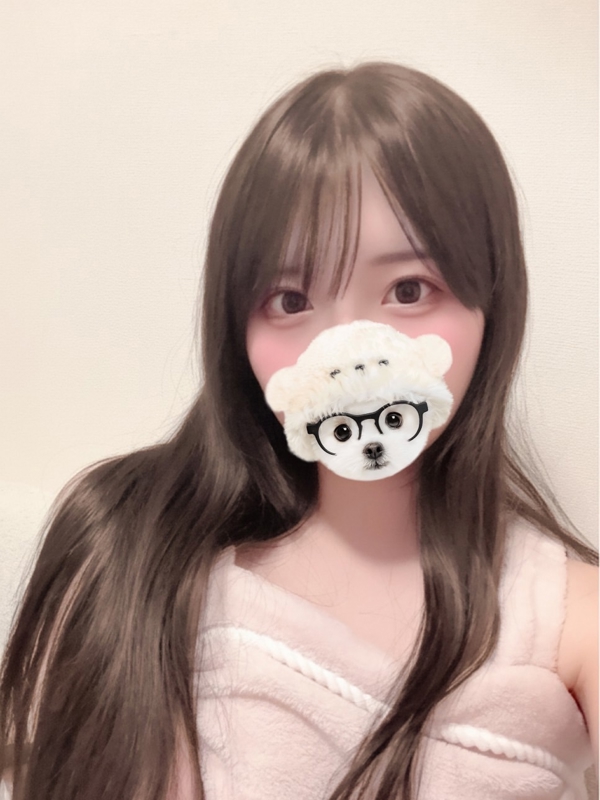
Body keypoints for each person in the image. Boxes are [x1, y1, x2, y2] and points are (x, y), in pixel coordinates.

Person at [0, 62, 597, 800]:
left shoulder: (573, 619)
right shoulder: (126, 548)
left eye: (409, 289)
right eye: (289, 300)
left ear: (492, 308)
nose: (345, 350)